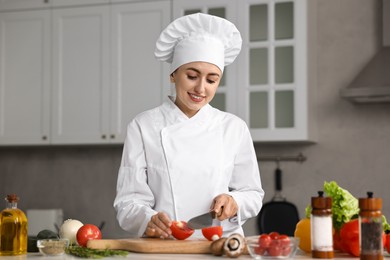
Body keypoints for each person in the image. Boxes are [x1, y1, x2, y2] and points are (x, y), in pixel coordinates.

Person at [114, 13, 264, 239]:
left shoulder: (234, 127)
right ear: (173, 75)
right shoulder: (143, 126)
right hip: (165, 246)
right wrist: (148, 219)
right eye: (192, 76)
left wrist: (235, 201)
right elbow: (128, 202)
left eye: (211, 80)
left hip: (221, 245)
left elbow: (252, 193)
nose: (200, 88)